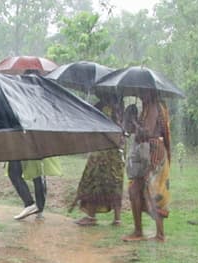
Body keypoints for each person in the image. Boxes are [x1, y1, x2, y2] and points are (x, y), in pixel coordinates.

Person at [124, 90, 172, 242]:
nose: (139, 94)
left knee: (148, 191)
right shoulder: (150, 106)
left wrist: (134, 122)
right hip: (150, 152)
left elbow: (147, 132)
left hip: (152, 154)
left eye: (141, 92)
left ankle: (155, 234)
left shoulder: (152, 107)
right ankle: (145, 232)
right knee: (139, 190)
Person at [71, 93, 125, 227]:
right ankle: (117, 219)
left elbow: (104, 129)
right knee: (115, 183)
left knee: (92, 182)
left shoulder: (105, 108)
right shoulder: (119, 107)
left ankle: (91, 217)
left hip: (102, 151)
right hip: (116, 152)